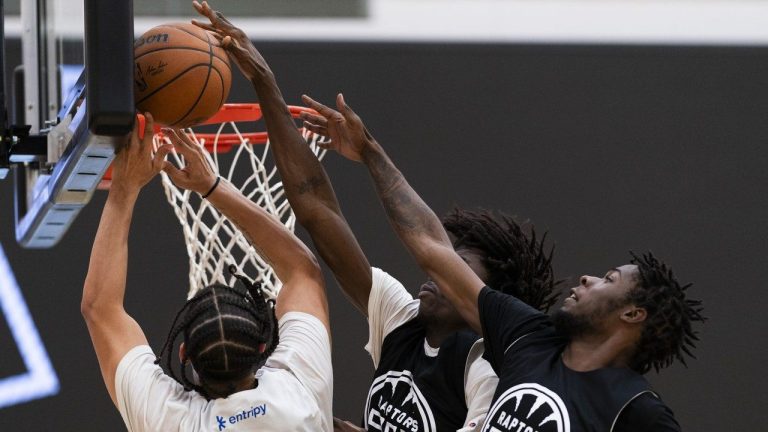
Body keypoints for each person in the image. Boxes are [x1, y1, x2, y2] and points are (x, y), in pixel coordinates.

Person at [189, 3, 558, 431]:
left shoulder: (486, 369)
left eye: (457, 266)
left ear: (484, 294)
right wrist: (266, 84)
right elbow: (317, 211)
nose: (436, 271)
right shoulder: (402, 322)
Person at [300, 93, 706, 431]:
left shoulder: (637, 409)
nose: (588, 278)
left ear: (633, 313)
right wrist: (371, 151)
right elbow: (431, 248)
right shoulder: (528, 337)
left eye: (610, 279)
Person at [80, 111, 333, 431]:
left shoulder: (168, 417)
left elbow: (101, 307)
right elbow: (302, 271)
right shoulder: (298, 396)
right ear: (262, 346)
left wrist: (126, 191)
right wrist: (210, 186)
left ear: (183, 354)